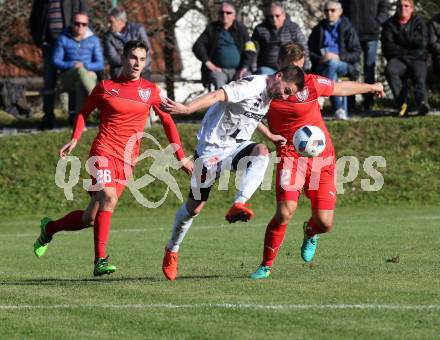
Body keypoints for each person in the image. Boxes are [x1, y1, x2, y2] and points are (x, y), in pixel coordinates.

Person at [33, 40, 193, 276]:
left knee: (90, 217)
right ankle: (100, 260)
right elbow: (84, 112)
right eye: (133, 57)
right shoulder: (106, 87)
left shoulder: (150, 91)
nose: (137, 63)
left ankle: (49, 228)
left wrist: (181, 158)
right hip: (103, 151)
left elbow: (168, 122)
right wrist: (75, 138)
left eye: (141, 58)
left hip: (127, 160)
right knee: (108, 196)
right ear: (123, 57)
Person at [249, 42, 384, 279]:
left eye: (300, 67)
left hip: (322, 158)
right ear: (279, 65)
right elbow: (246, 113)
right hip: (291, 156)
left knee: (324, 223)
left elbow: (340, 88)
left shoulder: (310, 83)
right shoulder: (266, 86)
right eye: (292, 68)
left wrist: (370, 86)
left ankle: (310, 231)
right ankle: (266, 265)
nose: (297, 74)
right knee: (283, 213)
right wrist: (268, 134)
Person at [160, 65, 305, 280]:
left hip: (236, 147)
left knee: (262, 152)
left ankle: (239, 203)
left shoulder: (270, 94)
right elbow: (220, 94)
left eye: (288, 94)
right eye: (286, 90)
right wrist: (188, 109)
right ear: (279, 76)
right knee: (194, 208)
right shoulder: (252, 85)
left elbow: (251, 116)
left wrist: (270, 135)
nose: (284, 96)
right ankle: (172, 249)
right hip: (210, 150)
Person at [29, 0, 88, 130]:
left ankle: (73, 117)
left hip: (69, 44)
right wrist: (38, 42)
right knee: (49, 83)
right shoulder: (41, 2)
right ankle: (48, 118)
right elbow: (33, 20)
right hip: (48, 46)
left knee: (72, 80)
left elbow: (85, 16)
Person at [308, 0, 361, 120]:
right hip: (323, 65)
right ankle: (339, 110)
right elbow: (309, 51)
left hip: (344, 65)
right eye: (326, 10)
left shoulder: (348, 28)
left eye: (333, 10)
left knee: (332, 63)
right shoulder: (319, 28)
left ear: (340, 12)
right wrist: (320, 59)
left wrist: (338, 57)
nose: (329, 13)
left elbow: (356, 53)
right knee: (331, 69)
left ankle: (323, 94)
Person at [52, 11, 104, 124]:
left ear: (87, 25)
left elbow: (100, 64)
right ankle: (101, 105)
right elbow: (55, 61)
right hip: (67, 76)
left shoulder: (94, 40)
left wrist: (86, 66)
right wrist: (72, 64)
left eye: (84, 24)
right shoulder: (63, 39)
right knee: (80, 71)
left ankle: (79, 122)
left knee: (80, 83)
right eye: (77, 23)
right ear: (71, 23)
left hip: (87, 76)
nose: (80, 26)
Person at [382, 0, 430, 117]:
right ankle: (403, 105)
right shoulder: (389, 24)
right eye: (400, 6)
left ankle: (422, 104)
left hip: (417, 58)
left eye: (406, 6)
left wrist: (400, 39)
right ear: (397, 8)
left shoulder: (419, 21)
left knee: (419, 75)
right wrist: (410, 43)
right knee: (391, 70)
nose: (403, 8)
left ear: (412, 8)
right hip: (399, 58)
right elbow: (388, 47)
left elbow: (422, 42)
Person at [192, 2, 256, 89]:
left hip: (239, 70)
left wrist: (244, 68)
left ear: (234, 15)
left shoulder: (242, 29)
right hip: (219, 71)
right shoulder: (211, 28)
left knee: (246, 84)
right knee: (220, 89)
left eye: (228, 13)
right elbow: (197, 46)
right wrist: (208, 63)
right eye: (221, 13)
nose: (224, 15)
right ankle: (222, 103)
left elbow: (250, 50)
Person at [340, 0, 390, 111]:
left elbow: (385, 7)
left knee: (369, 68)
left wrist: (377, 22)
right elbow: (342, 6)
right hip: (352, 35)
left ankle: (368, 102)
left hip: (372, 35)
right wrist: (347, 25)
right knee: (353, 69)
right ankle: (350, 103)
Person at [252, 2, 309, 75]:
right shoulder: (260, 29)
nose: (274, 19)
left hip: (290, 68)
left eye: (277, 16)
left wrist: (306, 68)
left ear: (284, 15)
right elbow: (254, 50)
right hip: (268, 68)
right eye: (271, 16)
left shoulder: (293, 28)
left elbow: (303, 48)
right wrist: (253, 69)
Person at [103, 6, 152, 80]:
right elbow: (113, 59)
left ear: (121, 21)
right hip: (120, 72)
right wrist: (131, 62)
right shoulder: (108, 36)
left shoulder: (138, 30)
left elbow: (147, 51)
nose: (108, 25)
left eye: (111, 21)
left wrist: (138, 67)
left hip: (142, 70)